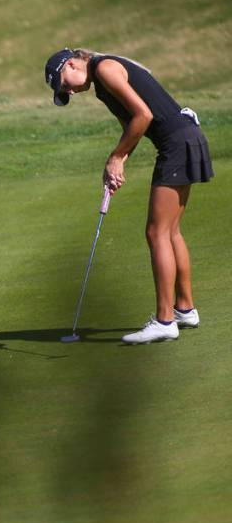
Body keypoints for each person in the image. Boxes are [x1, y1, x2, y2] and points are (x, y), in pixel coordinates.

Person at [44, 47, 214, 344]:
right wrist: (119, 163)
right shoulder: (101, 84)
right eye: (65, 92)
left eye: (65, 84)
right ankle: (185, 309)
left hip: (176, 143)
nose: (70, 91)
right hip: (185, 138)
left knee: (156, 232)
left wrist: (115, 156)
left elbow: (144, 115)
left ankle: (164, 321)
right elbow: (131, 127)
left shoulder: (105, 69)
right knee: (170, 231)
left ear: (71, 64)